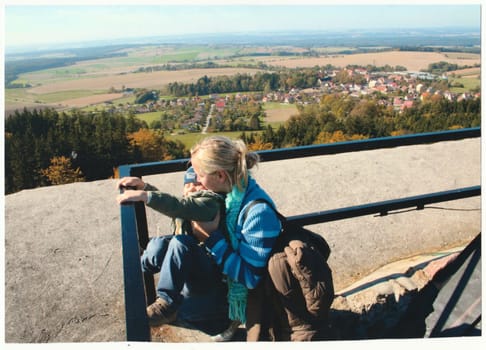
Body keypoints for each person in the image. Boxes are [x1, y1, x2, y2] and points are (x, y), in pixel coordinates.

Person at [189, 136, 282, 340]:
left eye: (199, 174)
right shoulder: (231, 191)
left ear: (220, 175)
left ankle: (228, 321)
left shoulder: (258, 214)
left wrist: (210, 237)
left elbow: (251, 278)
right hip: (225, 276)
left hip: (248, 293)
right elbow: (192, 176)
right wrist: (145, 190)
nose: (195, 179)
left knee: (183, 306)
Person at [116, 167, 230, 330]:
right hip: (193, 263)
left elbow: (179, 206)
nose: (192, 188)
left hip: (212, 273)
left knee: (180, 242)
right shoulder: (189, 204)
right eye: (188, 184)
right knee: (159, 244)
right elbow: (174, 204)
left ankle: (167, 305)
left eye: (198, 183)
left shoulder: (210, 203)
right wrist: (145, 187)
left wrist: (146, 196)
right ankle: (139, 263)